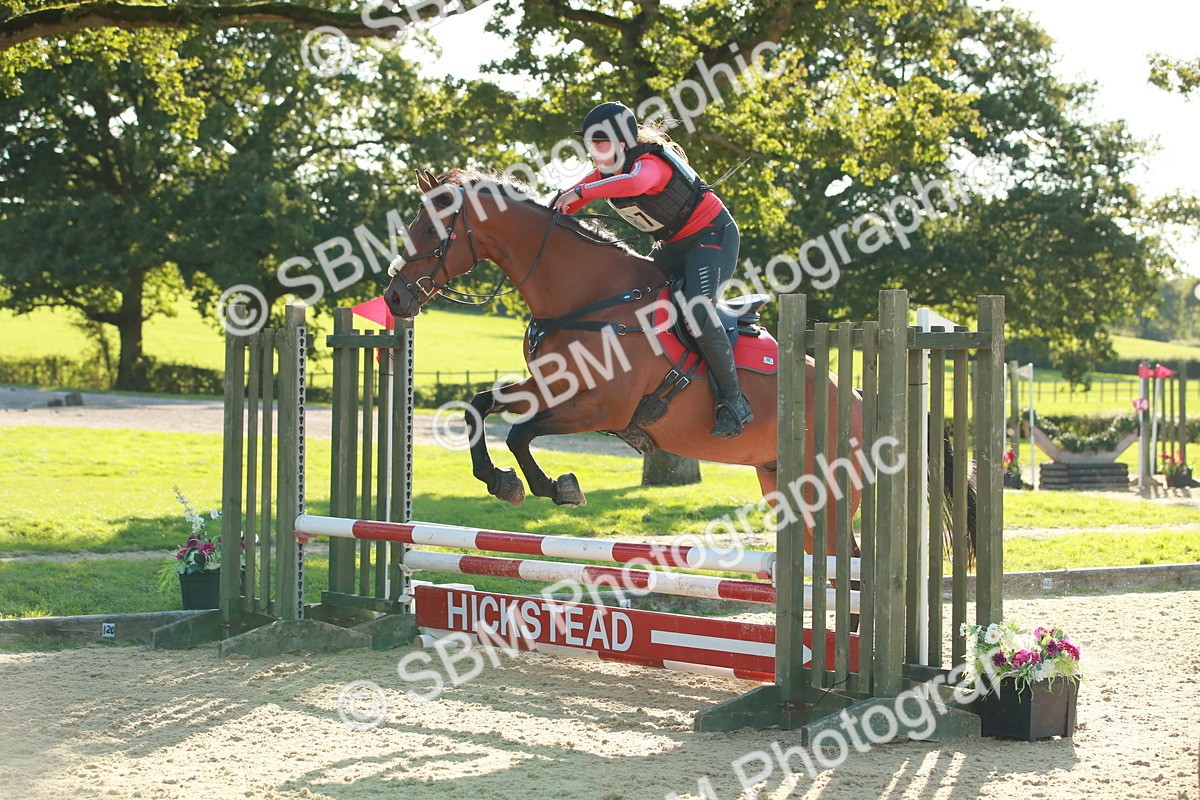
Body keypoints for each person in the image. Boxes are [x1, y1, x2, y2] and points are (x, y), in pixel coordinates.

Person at [552, 102, 754, 439]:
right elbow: (568, 201)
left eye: (600, 142)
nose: (594, 151)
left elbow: (635, 183)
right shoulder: (604, 174)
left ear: (623, 143)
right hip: (672, 246)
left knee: (695, 308)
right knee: (632, 298)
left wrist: (582, 191)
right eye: (591, 143)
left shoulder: (649, 164)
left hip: (712, 238)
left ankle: (735, 403)